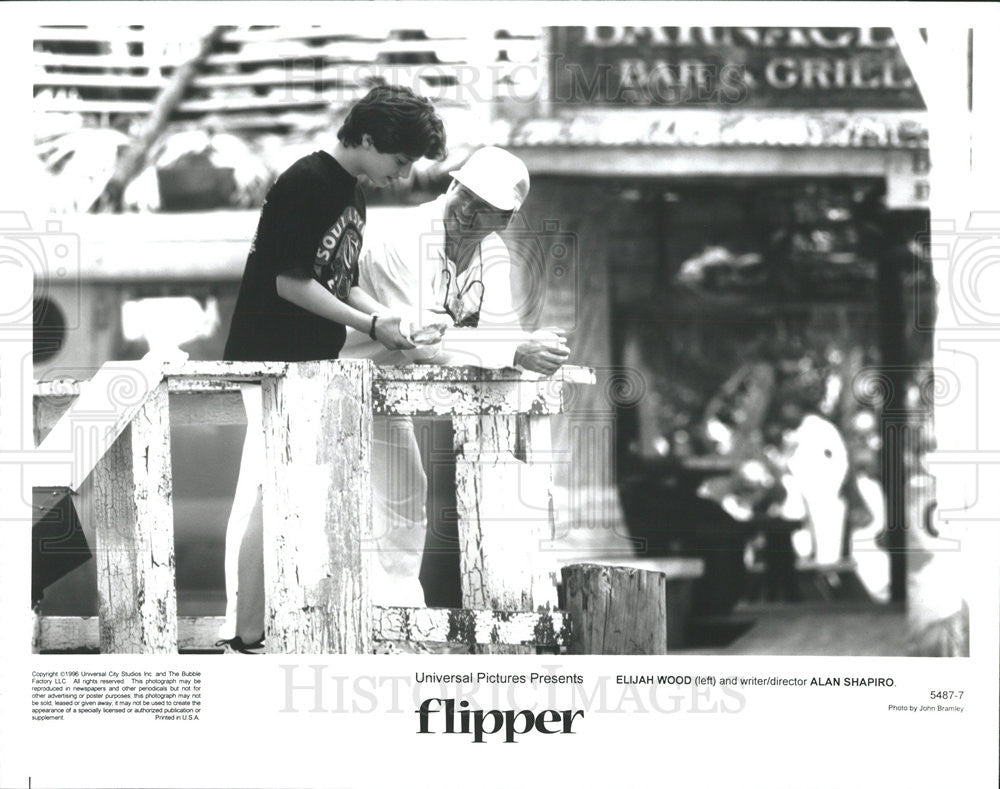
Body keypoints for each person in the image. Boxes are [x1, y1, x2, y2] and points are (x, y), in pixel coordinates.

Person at [217, 85, 448, 653]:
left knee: (298, 492)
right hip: (274, 356)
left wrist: (393, 320)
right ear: (368, 138)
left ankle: (263, 628)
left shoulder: (350, 194)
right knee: (280, 491)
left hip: (313, 361)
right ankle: (249, 634)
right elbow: (289, 282)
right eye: (399, 161)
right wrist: (371, 329)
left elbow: (338, 280)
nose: (401, 175)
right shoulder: (307, 182)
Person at [340, 146, 572, 608]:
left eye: (485, 208)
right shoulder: (404, 237)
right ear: (451, 186)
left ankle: (398, 621)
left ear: (504, 219)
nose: (468, 211)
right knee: (303, 507)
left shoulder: (493, 253)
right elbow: (421, 342)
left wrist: (532, 347)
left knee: (405, 501)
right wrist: (517, 348)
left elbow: (502, 335)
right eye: (464, 195)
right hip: (331, 378)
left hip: (385, 388)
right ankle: (266, 631)